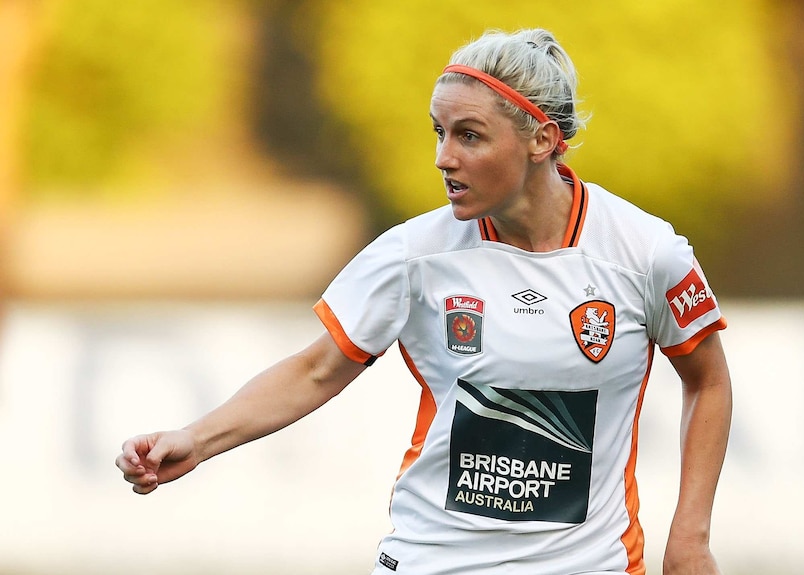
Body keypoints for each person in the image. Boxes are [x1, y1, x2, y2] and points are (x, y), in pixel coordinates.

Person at [116, 28, 732, 575]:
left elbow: (708, 383)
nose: (444, 157)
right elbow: (316, 369)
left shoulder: (644, 252)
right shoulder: (416, 255)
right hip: (434, 559)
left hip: (589, 563)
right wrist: (196, 439)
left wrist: (691, 534)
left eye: (469, 136)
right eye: (439, 133)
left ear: (542, 140)